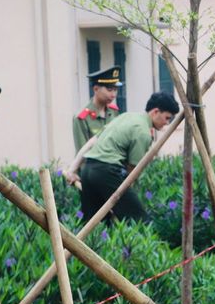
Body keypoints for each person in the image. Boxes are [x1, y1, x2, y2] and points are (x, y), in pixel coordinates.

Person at [64, 92, 179, 223]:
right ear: (155, 112)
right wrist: (125, 197)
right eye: (167, 118)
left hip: (88, 171)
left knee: (96, 225)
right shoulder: (143, 132)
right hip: (106, 173)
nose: (167, 123)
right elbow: (132, 171)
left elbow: (92, 142)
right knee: (139, 220)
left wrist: (72, 170)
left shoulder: (126, 116)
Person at [72, 66, 123, 153]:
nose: (113, 94)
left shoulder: (114, 111)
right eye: (109, 90)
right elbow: (82, 153)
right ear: (96, 89)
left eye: (115, 90)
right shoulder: (81, 118)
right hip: (93, 165)